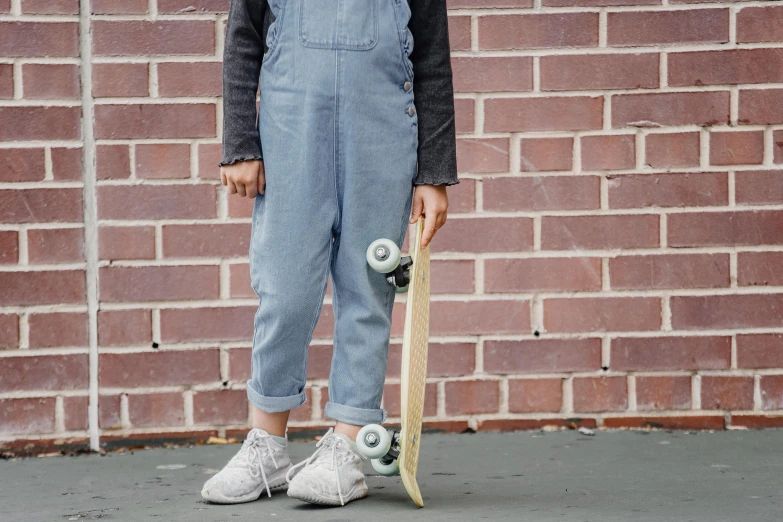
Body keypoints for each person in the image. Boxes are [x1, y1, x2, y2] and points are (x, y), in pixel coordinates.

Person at [201, 0, 459, 506]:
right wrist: (239, 143)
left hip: (382, 134)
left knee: (368, 288)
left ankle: (347, 444)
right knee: (285, 290)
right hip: (290, 132)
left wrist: (434, 173)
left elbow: (432, 59)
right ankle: (267, 444)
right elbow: (243, 41)